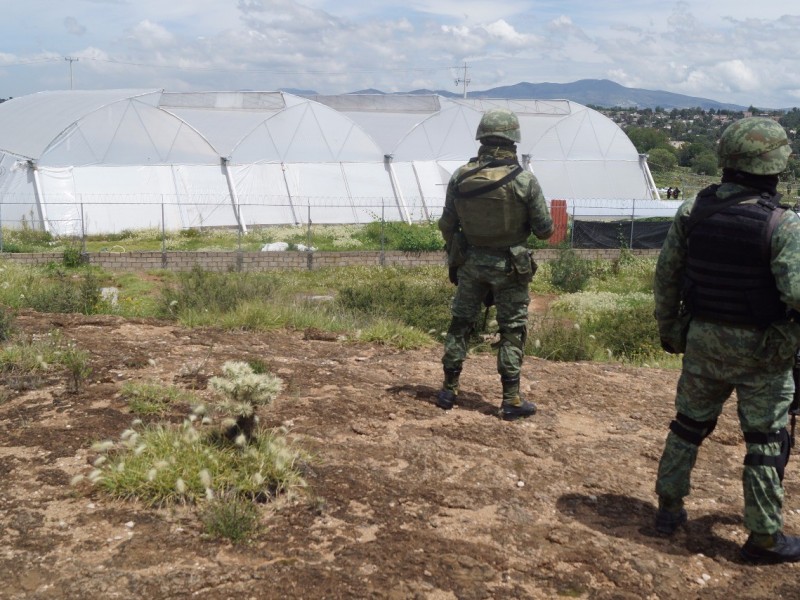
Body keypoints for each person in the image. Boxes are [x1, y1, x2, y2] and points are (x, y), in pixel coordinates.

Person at [653, 116, 800, 564]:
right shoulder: (783, 224)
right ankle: (763, 538)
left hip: (703, 341)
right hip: (764, 354)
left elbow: (667, 278)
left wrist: (671, 330)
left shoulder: (691, 210)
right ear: (773, 165)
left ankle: (668, 511)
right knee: (765, 440)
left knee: (687, 427)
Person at [437, 108, 554, 420]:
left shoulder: (461, 176)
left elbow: (447, 224)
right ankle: (511, 399)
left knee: (461, 324)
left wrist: (456, 253)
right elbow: (545, 230)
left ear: (481, 139)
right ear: (513, 140)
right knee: (512, 329)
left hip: (471, 263)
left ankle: (448, 390)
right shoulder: (525, 181)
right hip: (510, 267)